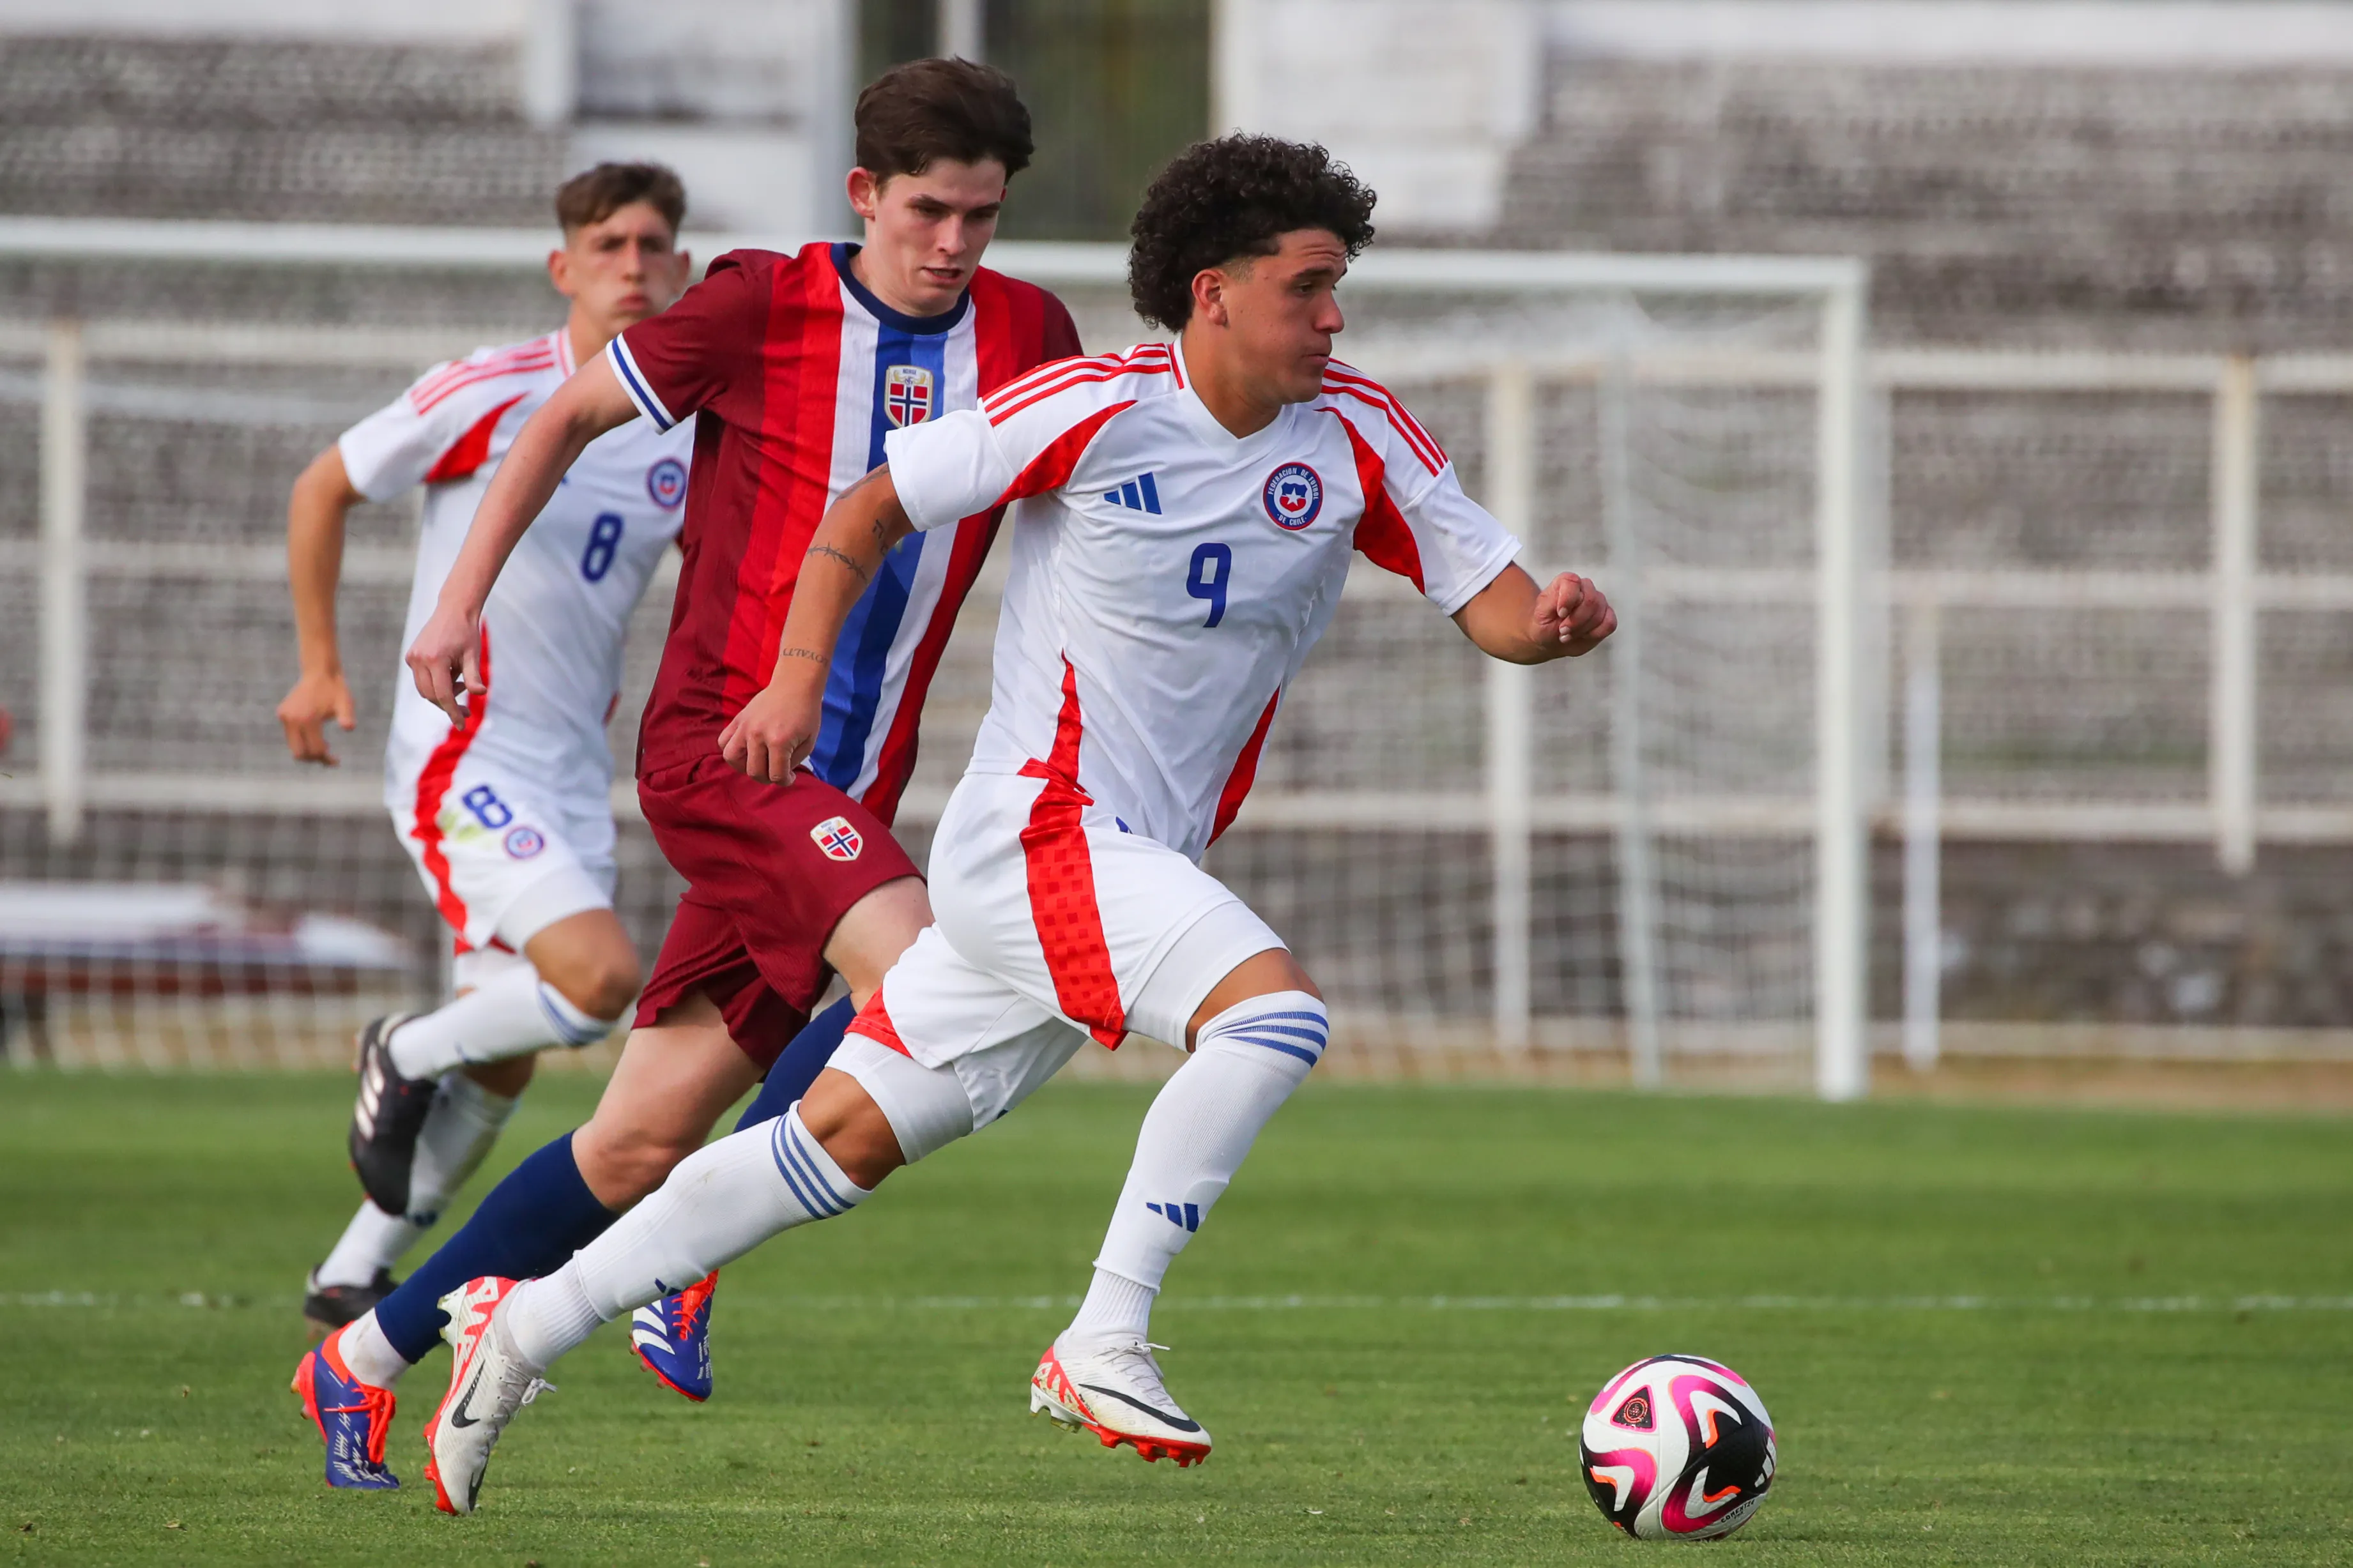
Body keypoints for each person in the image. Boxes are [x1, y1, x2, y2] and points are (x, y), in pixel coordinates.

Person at [417, 132, 1617, 1516]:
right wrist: (797, 677)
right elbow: (865, 506)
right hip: (1037, 834)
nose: (1333, 316)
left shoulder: (1358, 434)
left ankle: (518, 1327)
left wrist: (1560, 626)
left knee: (827, 1147)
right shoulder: (1092, 408)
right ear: (1211, 293)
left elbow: (1501, 608)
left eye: (1338, 286)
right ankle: (1103, 1336)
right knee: (1273, 1019)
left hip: (1121, 867)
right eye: (1308, 287)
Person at [291, 58, 1081, 1494]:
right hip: (725, 752)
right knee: (920, 975)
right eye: (925, 211)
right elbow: (560, 419)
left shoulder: (1029, 328)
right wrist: (455, 602)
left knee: (638, 1139)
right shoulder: (757, 303)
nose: (954, 244)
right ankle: (683, 1271)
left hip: (853, 792)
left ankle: (357, 1361)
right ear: (863, 197)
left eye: (981, 214)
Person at [276, 162, 695, 1351]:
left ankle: (353, 1271)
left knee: (509, 1050)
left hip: (569, 767)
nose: (630, 262)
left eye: (651, 243)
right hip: (463, 754)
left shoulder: (686, 425)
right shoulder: (495, 390)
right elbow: (325, 487)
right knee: (596, 979)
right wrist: (318, 665)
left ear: (681, 269)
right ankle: (399, 1049)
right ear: (565, 269)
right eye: (606, 243)